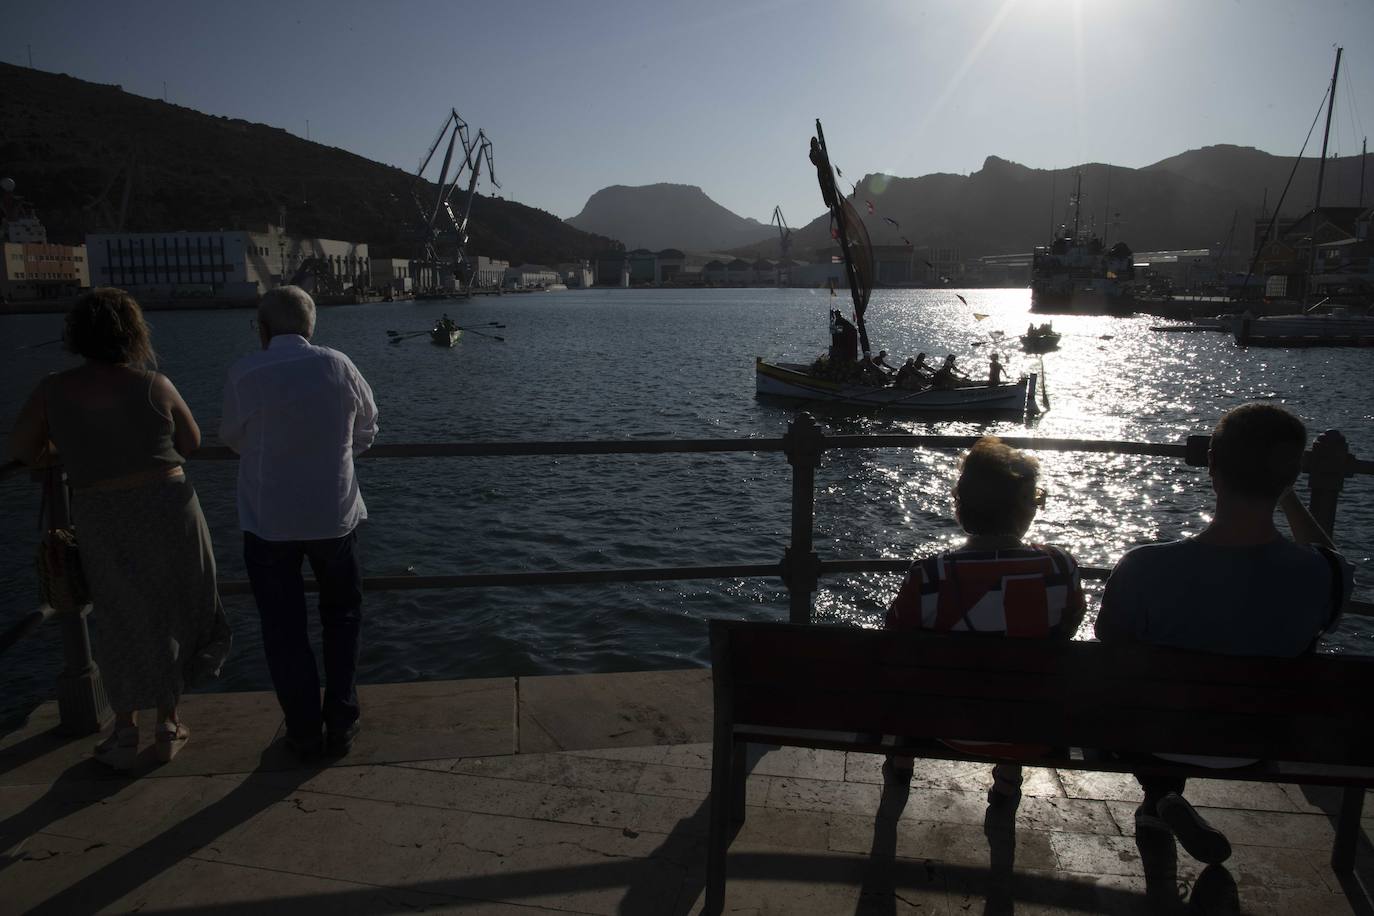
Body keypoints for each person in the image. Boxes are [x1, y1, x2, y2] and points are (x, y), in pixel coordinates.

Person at [1096, 404, 1351, 866]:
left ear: (1212, 466)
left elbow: (1110, 645)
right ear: (1291, 472)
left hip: (1156, 738)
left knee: (1128, 693)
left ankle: (1159, 798)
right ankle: (1159, 805)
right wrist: (1288, 496)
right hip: (1262, 742)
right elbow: (1332, 562)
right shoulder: (1324, 574)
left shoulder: (1145, 566)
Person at [9, 288, 230, 771]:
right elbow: (190, 442)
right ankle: (169, 723)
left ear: (76, 336)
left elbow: (24, 448)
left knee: (117, 614)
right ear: (133, 335)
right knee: (175, 607)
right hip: (168, 505)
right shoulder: (156, 385)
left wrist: (62, 453)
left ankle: (125, 729)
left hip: (102, 512)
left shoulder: (53, 389)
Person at [221, 286, 379, 758]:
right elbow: (368, 428)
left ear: (263, 328)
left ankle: (304, 730)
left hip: (268, 521)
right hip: (335, 516)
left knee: (283, 629)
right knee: (343, 618)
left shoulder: (246, 372)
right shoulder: (339, 365)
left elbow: (231, 438)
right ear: (312, 327)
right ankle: (342, 721)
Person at [886, 437, 1086, 805]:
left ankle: (901, 761)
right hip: (1029, 728)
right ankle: (1008, 777)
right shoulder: (1060, 568)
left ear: (961, 507)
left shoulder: (930, 576)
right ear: (1024, 510)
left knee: (912, 675)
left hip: (945, 725)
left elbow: (896, 639)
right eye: (1035, 499)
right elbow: (1068, 627)